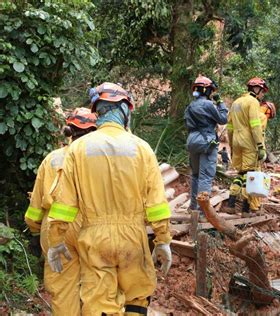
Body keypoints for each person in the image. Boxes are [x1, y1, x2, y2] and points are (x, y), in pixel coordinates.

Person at [46, 82, 172, 315]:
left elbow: (64, 204)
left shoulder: (77, 149)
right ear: (125, 110)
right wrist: (163, 239)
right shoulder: (142, 148)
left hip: (94, 239)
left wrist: (55, 240)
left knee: (99, 304)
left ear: (97, 111)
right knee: (137, 296)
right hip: (133, 239)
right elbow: (156, 202)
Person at [24, 107, 97, 315]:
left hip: (56, 227)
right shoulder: (101, 161)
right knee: (98, 286)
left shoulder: (53, 159)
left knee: (63, 289)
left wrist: (35, 228)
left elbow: (36, 205)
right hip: (92, 226)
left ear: (69, 130)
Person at [226, 77, 268, 217]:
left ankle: (231, 204)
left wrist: (232, 145)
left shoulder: (236, 103)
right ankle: (245, 210)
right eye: (262, 92)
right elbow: (255, 126)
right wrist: (260, 146)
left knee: (240, 174)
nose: (262, 95)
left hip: (236, 141)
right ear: (257, 89)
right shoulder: (253, 102)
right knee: (249, 175)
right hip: (249, 142)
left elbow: (230, 127)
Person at [185, 75, 228, 212]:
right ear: (207, 90)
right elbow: (223, 119)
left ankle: (193, 207)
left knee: (196, 175)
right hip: (207, 141)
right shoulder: (209, 105)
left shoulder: (190, 106)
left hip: (192, 140)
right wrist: (220, 103)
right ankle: (202, 210)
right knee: (206, 176)